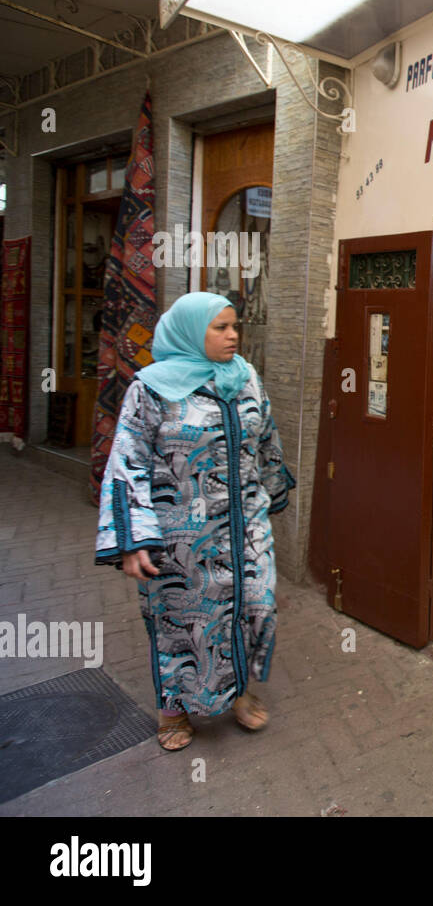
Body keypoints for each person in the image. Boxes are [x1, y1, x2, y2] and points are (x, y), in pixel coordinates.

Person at [94, 292, 296, 751]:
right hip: (183, 537)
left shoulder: (244, 378)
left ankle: (238, 689)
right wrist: (132, 540)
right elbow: (128, 463)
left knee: (254, 607)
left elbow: (266, 438)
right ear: (190, 331)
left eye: (235, 326)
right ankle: (173, 711)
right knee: (185, 624)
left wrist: (272, 490)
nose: (233, 336)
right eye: (220, 328)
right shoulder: (151, 389)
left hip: (247, 529)